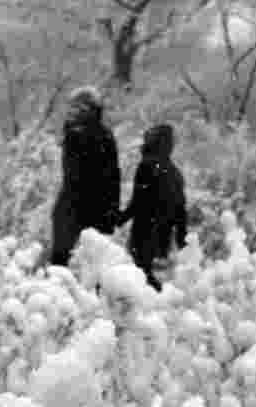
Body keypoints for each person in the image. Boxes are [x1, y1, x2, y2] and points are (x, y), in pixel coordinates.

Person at [48, 86, 122, 267]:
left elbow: (107, 177)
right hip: (92, 210)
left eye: (78, 109)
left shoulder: (79, 135)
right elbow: (113, 178)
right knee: (89, 266)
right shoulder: (102, 135)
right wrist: (112, 211)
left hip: (80, 210)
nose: (73, 113)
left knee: (65, 265)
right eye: (73, 109)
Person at [117, 123, 188, 291]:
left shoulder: (147, 166)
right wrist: (181, 240)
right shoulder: (174, 172)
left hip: (143, 233)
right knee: (155, 283)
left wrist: (116, 220)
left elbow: (137, 203)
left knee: (140, 280)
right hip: (163, 239)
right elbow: (181, 212)